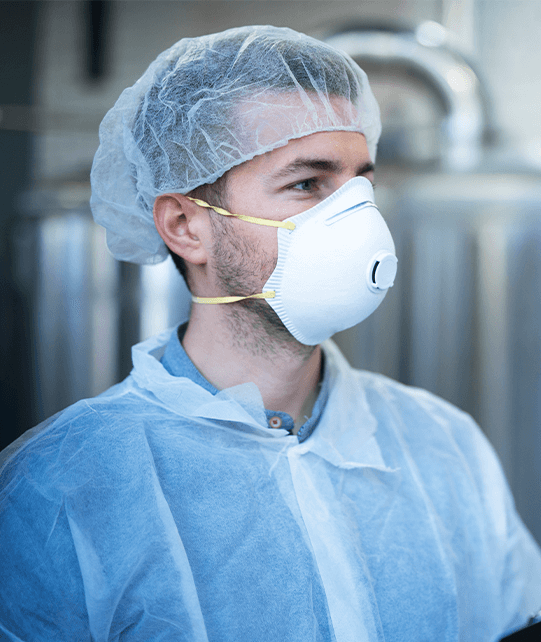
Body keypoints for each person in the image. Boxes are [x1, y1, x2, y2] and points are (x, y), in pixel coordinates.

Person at [1, 25, 540, 642]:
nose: (358, 222)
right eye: (307, 184)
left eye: (361, 184)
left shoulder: (442, 445)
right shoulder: (57, 490)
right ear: (185, 225)